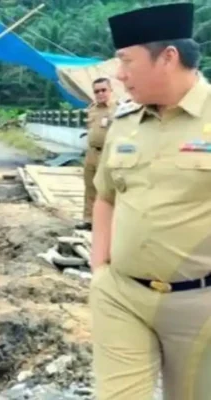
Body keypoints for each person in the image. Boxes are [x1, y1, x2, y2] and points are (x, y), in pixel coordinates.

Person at [90, 3, 211, 399]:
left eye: (126, 61)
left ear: (169, 57)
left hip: (199, 305)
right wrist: (100, 270)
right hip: (121, 295)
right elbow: (105, 197)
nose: (119, 74)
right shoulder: (125, 122)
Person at [77, 77, 116, 231]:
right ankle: (88, 219)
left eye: (103, 90)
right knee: (89, 186)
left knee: (106, 188)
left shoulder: (118, 109)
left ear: (110, 90)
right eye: (97, 91)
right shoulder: (92, 109)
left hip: (107, 154)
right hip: (92, 153)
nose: (100, 94)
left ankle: (106, 221)